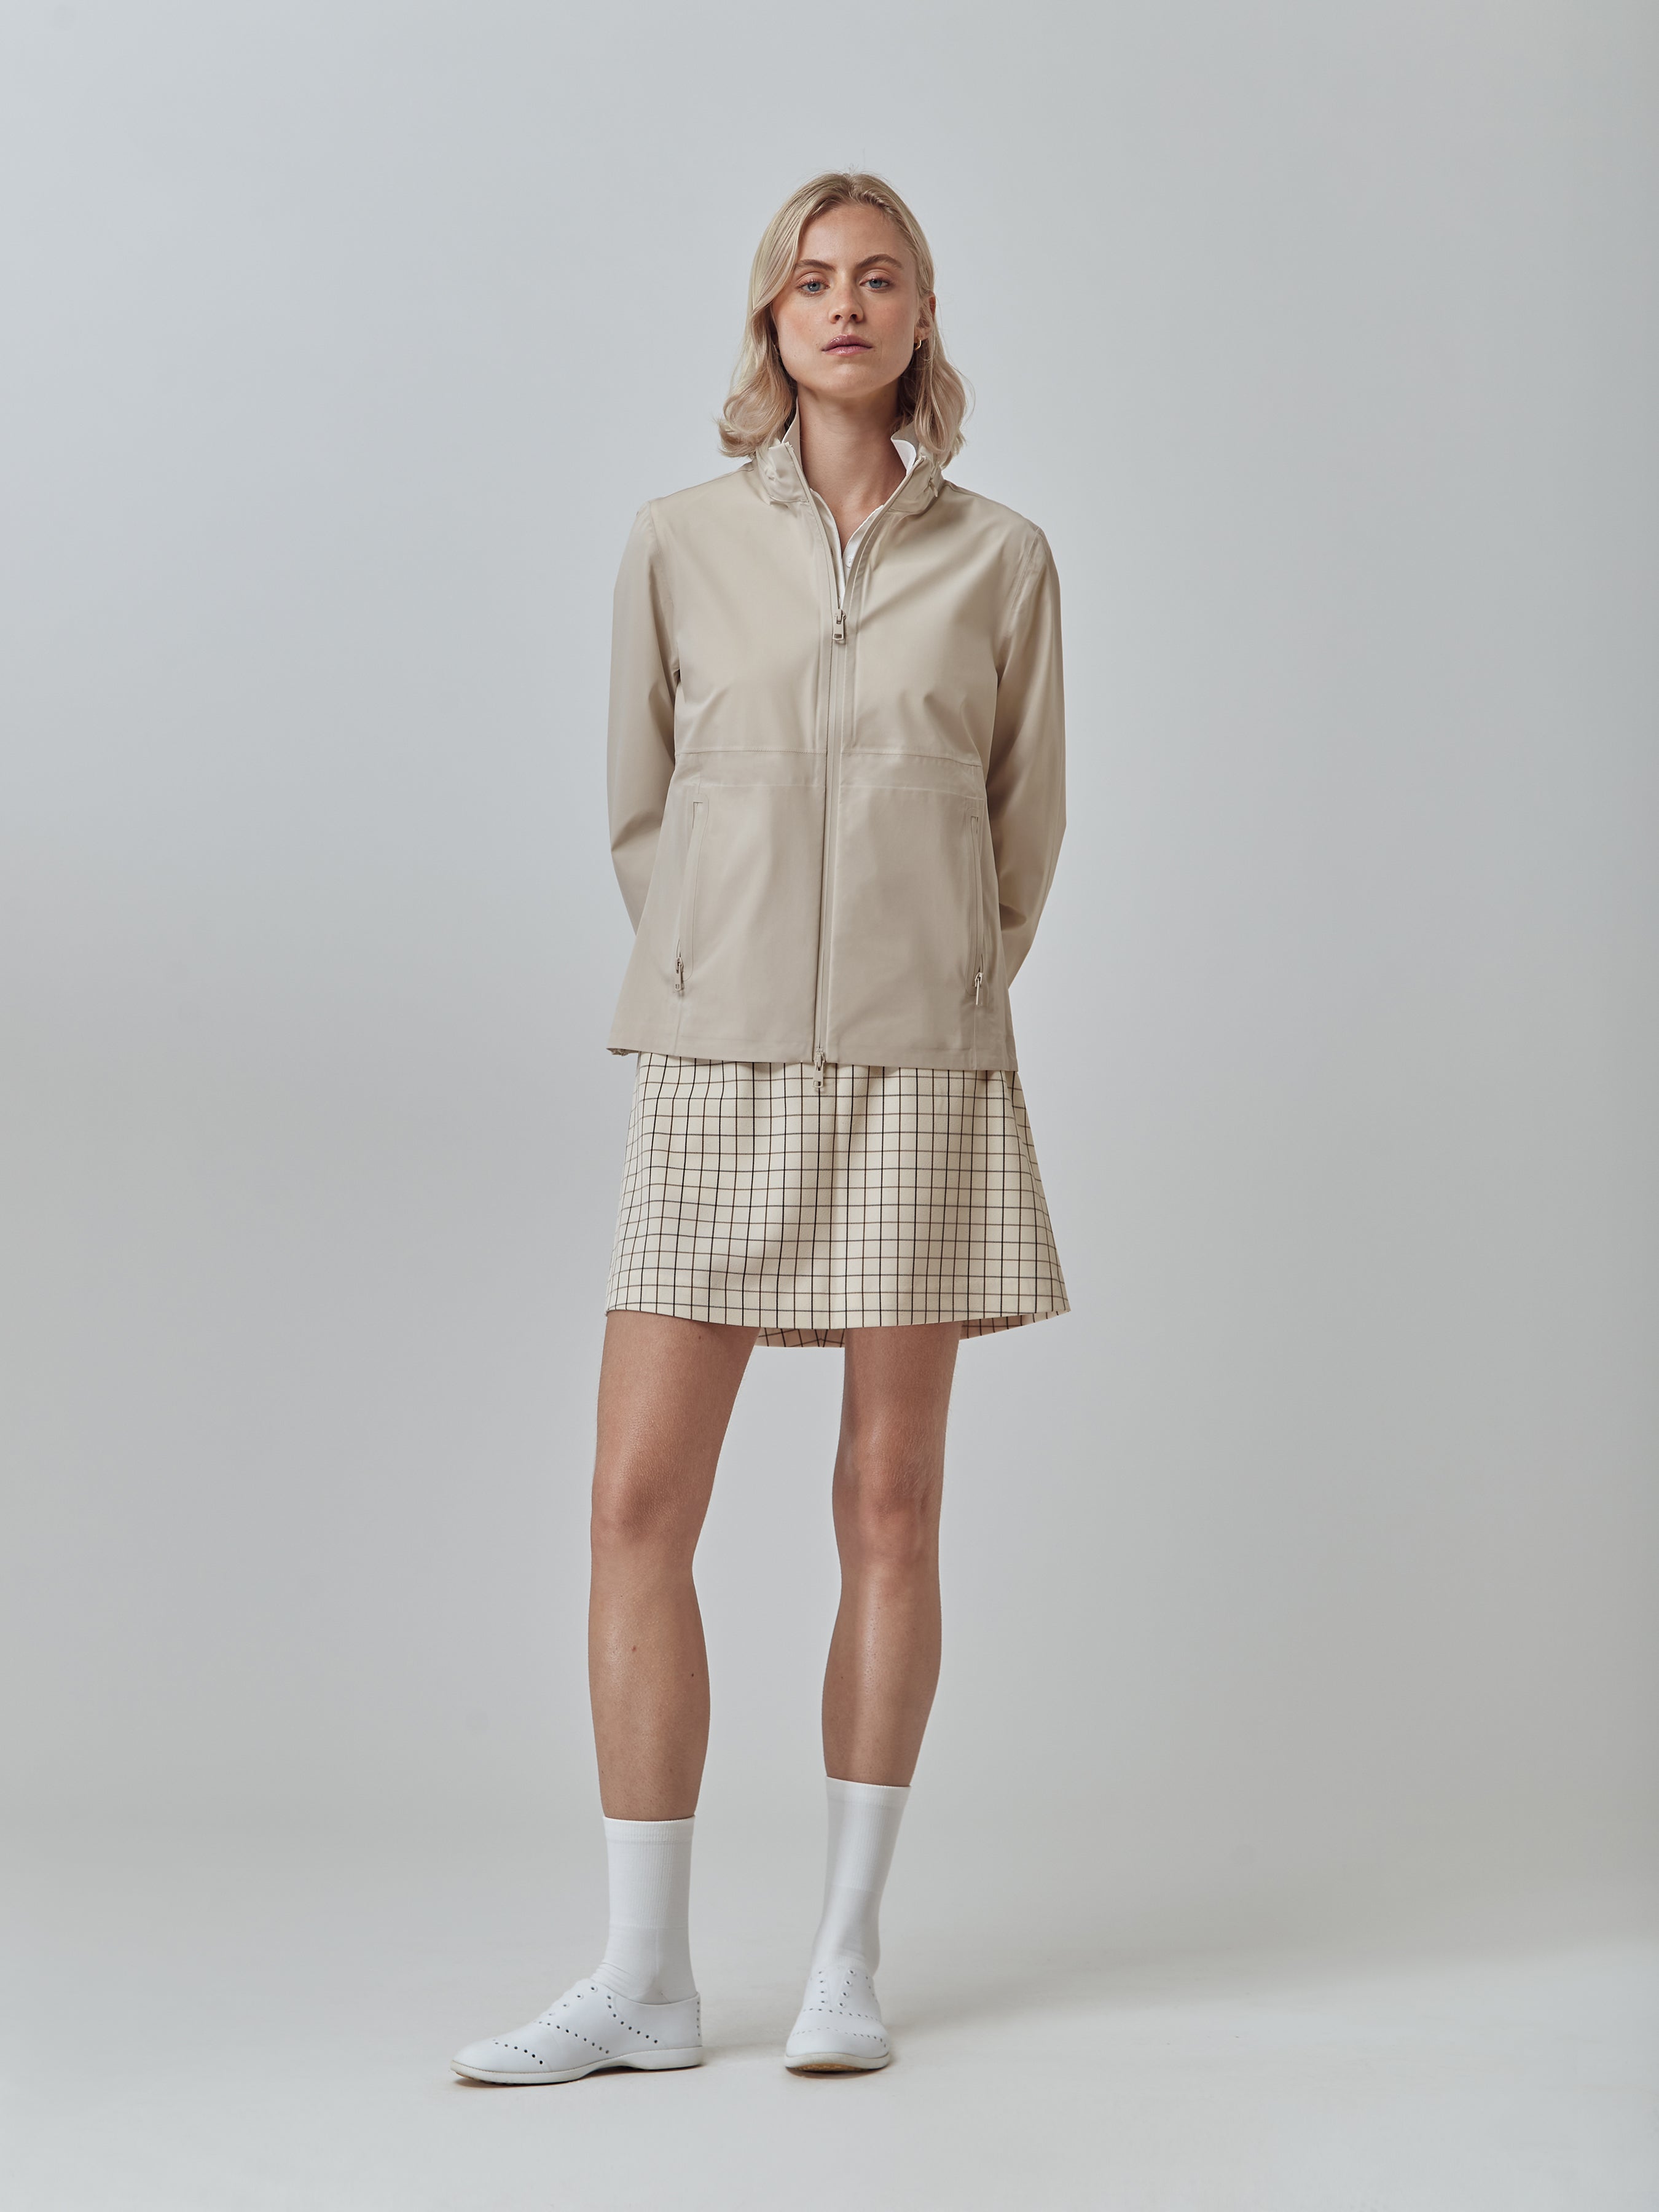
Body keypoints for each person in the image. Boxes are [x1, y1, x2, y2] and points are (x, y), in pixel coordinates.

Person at [452, 170, 1067, 2086]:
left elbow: (1020, 831)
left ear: (921, 315)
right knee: (634, 1505)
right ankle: (643, 1979)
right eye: (812, 280)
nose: (845, 305)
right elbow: (643, 815)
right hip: (715, 1064)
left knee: (888, 1502)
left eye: (879, 278)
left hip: (918, 1068)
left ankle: (843, 1961)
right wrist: (725, 974)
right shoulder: (675, 542)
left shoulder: (1003, 560)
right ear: (770, 318)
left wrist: (930, 981)